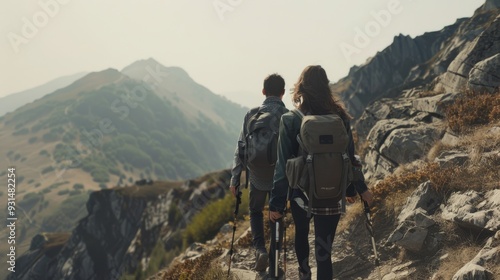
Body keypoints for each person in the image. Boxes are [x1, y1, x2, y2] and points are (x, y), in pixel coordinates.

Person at [269, 65, 373, 280]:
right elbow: (351, 158)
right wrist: (357, 188)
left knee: (301, 234)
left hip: (301, 193)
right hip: (332, 192)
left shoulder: (290, 119)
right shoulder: (340, 117)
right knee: (324, 252)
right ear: (326, 87)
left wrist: (277, 203)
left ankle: (304, 273)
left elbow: (282, 166)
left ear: (301, 87)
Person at [230, 74, 288, 276]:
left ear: (263, 92)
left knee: (255, 212)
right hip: (278, 177)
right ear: (283, 92)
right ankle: (273, 261)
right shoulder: (287, 116)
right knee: (276, 215)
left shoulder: (251, 115)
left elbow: (240, 148)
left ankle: (259, 250)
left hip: (255, 174)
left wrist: (235, 179)